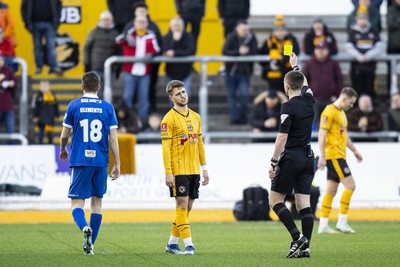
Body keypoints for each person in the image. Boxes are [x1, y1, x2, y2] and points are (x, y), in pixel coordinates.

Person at [59, 72, 121, 255]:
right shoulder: (107, 108)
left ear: (82, 86)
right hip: (101, 161)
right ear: (99, 87)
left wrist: (63, 149)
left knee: (77, 204)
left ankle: (85, 227)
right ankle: (90, 245)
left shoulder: (74, 105)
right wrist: (117, 163)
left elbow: (64, 135)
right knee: (97, 204)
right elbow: (113, 139)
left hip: (80, 160)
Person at [268, 53, 315, 258]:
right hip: (308, 157)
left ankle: (297, 238)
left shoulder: (287, 106)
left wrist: (273, 162)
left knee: (275, 201)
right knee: (304, 204)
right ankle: (305, 249)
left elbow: (281, 138)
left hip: (292, 157)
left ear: (286, 87)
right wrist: (295, 67)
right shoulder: (309, 100)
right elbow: (304, 83)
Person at [161, 80, 209, 255]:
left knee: (187, 207)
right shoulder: (168, 119)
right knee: (181, 206)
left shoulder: (196, 117)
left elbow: (200, 144)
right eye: (178, 93)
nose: (182, 95)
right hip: (179, 169)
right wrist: (168, 172)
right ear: (171, 97)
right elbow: (165, 148)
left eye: (183, 92)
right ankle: (189, 245)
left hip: (194, 170)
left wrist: (204, 168)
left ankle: (172, 243)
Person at [317, 87, 363, 234]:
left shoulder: (341, 113)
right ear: (343, 99)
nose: (351, 105)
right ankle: (342, 221)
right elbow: (322, 135)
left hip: (340, 155)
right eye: (350, 102)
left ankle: (323, 224)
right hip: (334, 156)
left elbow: (344, 135)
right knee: (351, 185)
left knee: (331, 190)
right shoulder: (329, 111)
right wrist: (322, 156)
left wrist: (354, 150)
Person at [116, 15, 160, 127]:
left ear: (147, 24)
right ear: (134, 23)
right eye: (139, 22)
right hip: (130, 71)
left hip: (144, 72)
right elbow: (118, 41)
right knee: (127, 97)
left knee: (143, 99)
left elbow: (156, 50)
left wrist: (151, 55)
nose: (141, 24)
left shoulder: (150, 35)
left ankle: (142, 125)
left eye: (143, 22)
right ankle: (128, 123)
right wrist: (125, 37)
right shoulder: (130, 33)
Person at [122, 2, 163, 113]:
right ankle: (129, 119)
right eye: (139, 11)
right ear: (135, 13)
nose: (141, 14)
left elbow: (159, 46)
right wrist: (125, 38)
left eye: (143, 11)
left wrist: (153, 56)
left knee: (146, 94)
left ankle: (144, 119)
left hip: (148, 68)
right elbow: (120, 41)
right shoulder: (129, 27)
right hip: (131, 68)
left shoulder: (153, 28)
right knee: (128, 95)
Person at [222, 20, 258, 125]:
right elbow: (225, 51)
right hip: (230, 72)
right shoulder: (231, 37)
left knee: (244, 95)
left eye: (247, 29)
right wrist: (239, 52)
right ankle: (234, 118)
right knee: (231, 96)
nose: (246, 31)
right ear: (237, 29)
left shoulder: (252, 38)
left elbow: (255, 51)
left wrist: (245, 53)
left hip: (244, 72)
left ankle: (242, 116)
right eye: (244, 29)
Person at [345, 5, 383, 99]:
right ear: (357, 20)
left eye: (364, 18)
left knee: (370, 89)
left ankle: (371, 109)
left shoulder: (373, 31)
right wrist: (359, 56)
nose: (362, 20)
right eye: (360, 18)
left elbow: (379, 46)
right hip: (357, 66)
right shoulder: (353, 32)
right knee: (357, 90)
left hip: (370, 66)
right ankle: (356, 110)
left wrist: (368, 56)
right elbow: (349, 47)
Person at [302, 41, 343, 128]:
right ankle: (313, 139)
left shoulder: (334, 64)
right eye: (318, 49)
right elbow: (304, 81)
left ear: (327, 51)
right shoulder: (309, 64)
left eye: (323, 49)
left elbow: (339, 80)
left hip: (331, 98)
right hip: (314, 99)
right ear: (315, 50)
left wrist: (337, 96)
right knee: (312, 120)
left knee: (331, 121)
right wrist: (308, 96)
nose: (321, 51)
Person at [259, 15, 300, 93]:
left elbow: (294, 53)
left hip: (288, 75)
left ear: (286, 31)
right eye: (277, 31)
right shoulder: (269, 41)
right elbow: (261, 57)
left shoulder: (291, 40)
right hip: (273, 76)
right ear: (274, 32)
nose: (280, 33)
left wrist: (281, 57)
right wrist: (269, 65)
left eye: (282, 30)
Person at [21, 0, 63, 75]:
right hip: (35, 25)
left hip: (50, 24)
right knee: (37, 47)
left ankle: (54, 67)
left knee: (51, 46)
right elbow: (23, 8)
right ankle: (39, 67)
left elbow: (59, 6)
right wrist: (27, 23)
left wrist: (57, 21)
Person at [84, 11, 119, 92]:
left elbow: (118, 51)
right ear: (100, 20)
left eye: (108, 20)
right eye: (104, 20)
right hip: (96, 68)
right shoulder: (94, 32)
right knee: (94, 91)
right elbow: (87, 48)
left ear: (111, 20)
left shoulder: (115, 33)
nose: (106, 22)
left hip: (110, 69)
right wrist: (87, 64)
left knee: (108, 92)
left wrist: (118, 68)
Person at [163, 17, 195, 97]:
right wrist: (175, 41)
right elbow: (165, 50)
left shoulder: (189, 37)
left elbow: (190, 51)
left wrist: (174, 52)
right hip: (171, 72)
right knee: (173, 97)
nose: (177, 27)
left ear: (183, 26)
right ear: (171, 27)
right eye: (175, 25)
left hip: (185, 72)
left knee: (185, 96)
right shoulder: (167, 37)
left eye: (179, 25)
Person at [0, 54, 16, 141]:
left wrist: (9, 83)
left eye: (1, 60)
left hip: (7, 103)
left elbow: (14, 83)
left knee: (10, 129)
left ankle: (11, 147)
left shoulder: (8, 70)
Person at [386, 0, 400, 95]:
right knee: (392, 73)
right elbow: (390, 24)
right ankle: (391, 95)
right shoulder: (390, 9)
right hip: (394, 46)